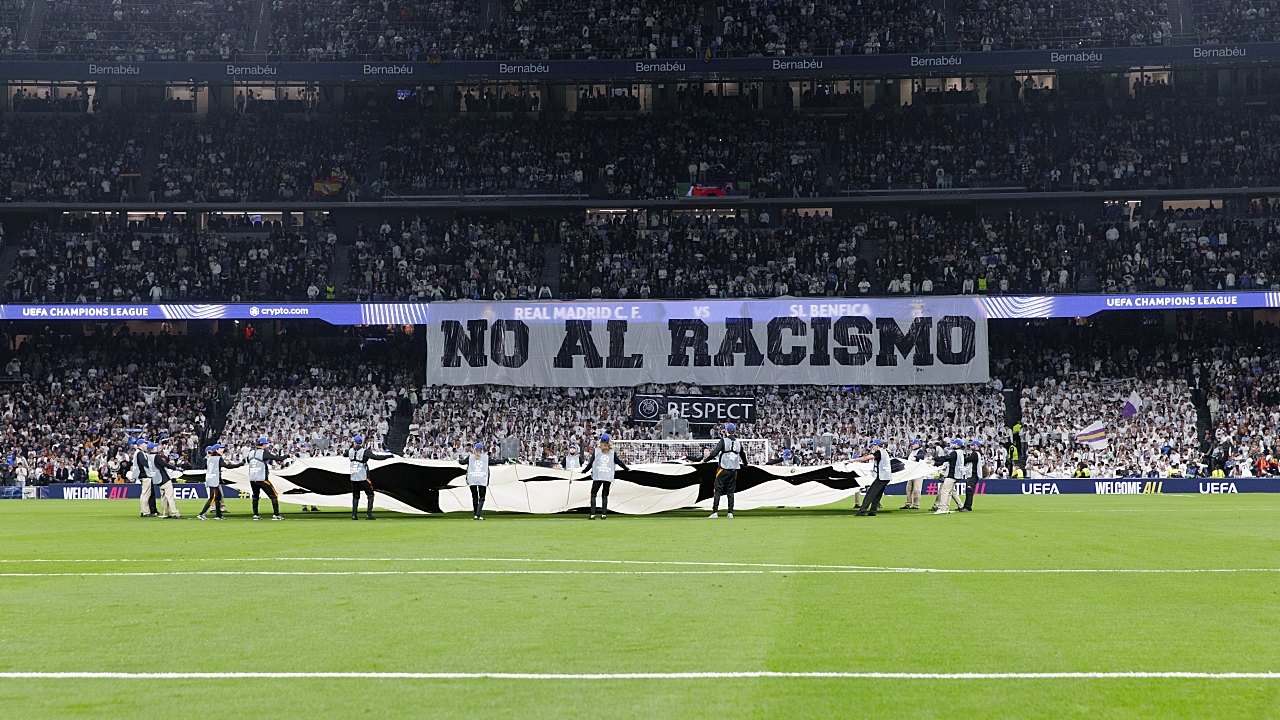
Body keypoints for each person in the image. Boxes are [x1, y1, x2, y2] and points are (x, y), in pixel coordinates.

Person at [579, 432, 630, 519]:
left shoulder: (597, 451)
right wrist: (626, 469)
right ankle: (603, 514)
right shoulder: (612, 453)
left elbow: (591, 463)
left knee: (594, 494)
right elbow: (619, 462)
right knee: (605, 495)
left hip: (598, 476)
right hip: (608, 476)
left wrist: (584, 471)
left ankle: (592, 514)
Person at [706, 422, 747, 518]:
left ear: (726, 431)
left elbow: (714, 453)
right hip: (733, 470)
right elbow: (743, 455)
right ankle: (730, 512)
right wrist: (745, 464)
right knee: (731, 492)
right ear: (734, 431)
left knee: (718, 490)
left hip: (723, 469)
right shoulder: (738, 442)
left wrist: (706, 460)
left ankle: (715, 512)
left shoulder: (723, 441)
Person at [349, 435, 393, 520]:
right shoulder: (365, 452)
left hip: (353, 477)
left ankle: (354, 515)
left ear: (354, 442)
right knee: (370, 494)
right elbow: (377, 457)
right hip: (363, 477)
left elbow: (344, 454)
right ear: (361, 443)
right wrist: (388, 456)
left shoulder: (350, 451)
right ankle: (369, 514)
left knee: (355, 496)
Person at [246, 438, 289, 520]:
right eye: (265, 444)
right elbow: (277, 458)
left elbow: (248, 461)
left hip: (252, 479)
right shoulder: (263, 453)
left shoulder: (251, 453)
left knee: (255, 496)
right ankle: (276, 515)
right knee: (274, 495)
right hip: (262, 478)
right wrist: (286, 456)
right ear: (263, 445)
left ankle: (256, 515)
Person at [198, 444, 241, 520]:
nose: (222, 450)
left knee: (218, 497)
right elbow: (227, 466)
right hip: (214, 480)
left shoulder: (209, 458)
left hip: (210, 479)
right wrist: (239, 465)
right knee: (213, 497)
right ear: (217, 450)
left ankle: (218, 515)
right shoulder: (218, 458)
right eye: (221, 449)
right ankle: (202, 514)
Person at [851, 439, 893, 517]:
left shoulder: (879, 452)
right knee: (877, 495)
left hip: (882, 477)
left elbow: (865, 458)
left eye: (873, 446)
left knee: (870, 494)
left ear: (877, 446)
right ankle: (873, 511)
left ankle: (862, 511)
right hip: (886, 476)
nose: (872, 447)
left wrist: (853, 460)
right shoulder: (885, 452)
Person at [148, 442, 185, 519]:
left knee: (163, 497)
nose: (157, 447)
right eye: (155, 447)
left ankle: (165, 513)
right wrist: (175, 468)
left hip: (157, 479)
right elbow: (165, 464)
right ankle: (175, 513)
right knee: (170, 497)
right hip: (164, 478)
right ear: (153, 449)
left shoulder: (148, 457)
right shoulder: (157, 457)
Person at [931, 439, 968, 514]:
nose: (952, 445)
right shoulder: (961, 453)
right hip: (957, 474)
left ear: (957, 445)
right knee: (950, 492)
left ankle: (942, 508)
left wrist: (933, 458)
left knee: (944, 491)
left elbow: (946, 458)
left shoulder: (955, 453)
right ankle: (947, 507)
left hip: (952, 474)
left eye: (953, 444)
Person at [459, 442, 490, 520]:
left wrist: (459, 459)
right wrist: (505, 460)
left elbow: (462, 462)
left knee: (474, 497)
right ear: (482, 450)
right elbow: (497, 461)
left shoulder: (470, 457)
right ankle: (478, 514)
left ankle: (476, 514)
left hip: (472, 479)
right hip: (482, 479)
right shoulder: (486, 457)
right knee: (482, 498)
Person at [130, 438, 158, 518]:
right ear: (141, 444)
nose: (146, 445)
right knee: (146, 494)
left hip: (143, 475)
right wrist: (151, 464)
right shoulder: (140, 453)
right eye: (145, 443)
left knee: (145, 494)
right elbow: (144, 463)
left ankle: (144, 511)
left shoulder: (138, 453)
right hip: (145, 475)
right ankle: (145, 512)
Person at [959, 440, 986, 513]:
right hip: (973, 474)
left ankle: (968, 507)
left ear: (976, 446)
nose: (970, 447)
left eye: (972, 445)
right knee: (969, 491)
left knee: (969, 490)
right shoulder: (979, 454)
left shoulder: (975, 454)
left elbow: (967, 460)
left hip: (973, 474)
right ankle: (966, 506)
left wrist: (962, 458)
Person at [901, 439, 928, 510]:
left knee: (916, 489)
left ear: (917, 444)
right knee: (909, 489)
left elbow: (921, 456)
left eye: (913, 444)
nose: (912, 445)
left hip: (918, 473)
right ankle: (908, 503)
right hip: (912, 473)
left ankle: (916, 505)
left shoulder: (920, 450)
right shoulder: (912, 452)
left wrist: (916, 458)